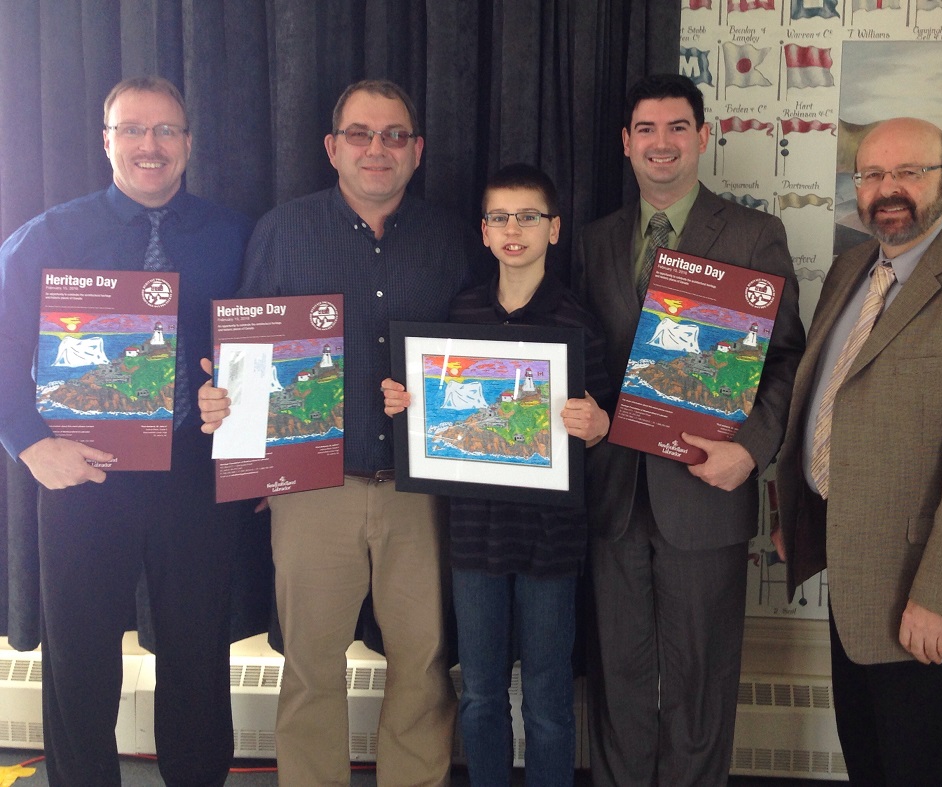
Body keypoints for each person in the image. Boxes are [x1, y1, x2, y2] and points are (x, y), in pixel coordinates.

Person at [197, 79, 483, 787]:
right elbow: (247, 355)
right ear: (332, 147)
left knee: (422, 667)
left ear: (416, 151)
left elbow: (483, 359)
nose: (375, 149)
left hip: (423, 493)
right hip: (313, 491)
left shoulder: (453, 239)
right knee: (311, 666)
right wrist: (234, 425)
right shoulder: (282, 231)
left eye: (393, 136)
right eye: (359, 133)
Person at [0, 76, 251, 786]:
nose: (151, 145)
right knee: (78, 661)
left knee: (198, 659)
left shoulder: (235, 235)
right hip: (83, 477)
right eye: (133, 130)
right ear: (106, 141)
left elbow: (263, 350)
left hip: (195, 479)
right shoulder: (48, 235)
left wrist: (242, 418)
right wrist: (27, 441)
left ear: (189, 143)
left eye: (166, 130)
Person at [572, 73, 805, 786]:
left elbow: (786, 359)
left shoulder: (754, 233)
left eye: (677, 128)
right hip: (613, 496)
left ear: (702, 137)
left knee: (701, 686)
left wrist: (752, 451)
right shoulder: (592, 241)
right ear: (626, 143)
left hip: (706, 491)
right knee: (621, 683)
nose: (662, 143)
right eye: (647, 130)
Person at [773, 117, 942, 785]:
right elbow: (832, 399)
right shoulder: (851, 268)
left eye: (908, 172)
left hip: (927, 605)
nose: (886, 189)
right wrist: (800, 511)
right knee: (872, 770)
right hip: (857, 593)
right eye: (871, 174)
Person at [382, 164, 612, 786]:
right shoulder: (454, 315)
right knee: (480, 691)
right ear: (483, 232)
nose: (514, 230)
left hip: (551, 539)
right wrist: (407, 405)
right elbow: (431, 412)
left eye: (529, 217)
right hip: (474, 535)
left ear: (554, 229)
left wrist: (599, 424)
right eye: (501, 218)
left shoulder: (579, 322)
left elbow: (608, 425)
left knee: (547, 697)